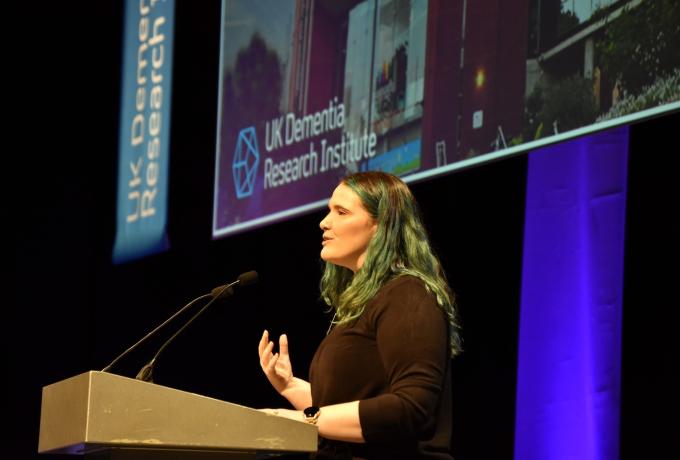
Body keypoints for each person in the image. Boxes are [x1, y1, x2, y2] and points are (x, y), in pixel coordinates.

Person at [258, 171, 461, 459]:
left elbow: (411, 407)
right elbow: (345, 407)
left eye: (341, 212)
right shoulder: (363, 302)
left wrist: (302, 419)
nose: (324, 222)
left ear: (381, 226)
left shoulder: (408, 294)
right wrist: (291, 386)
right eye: (329, 211)